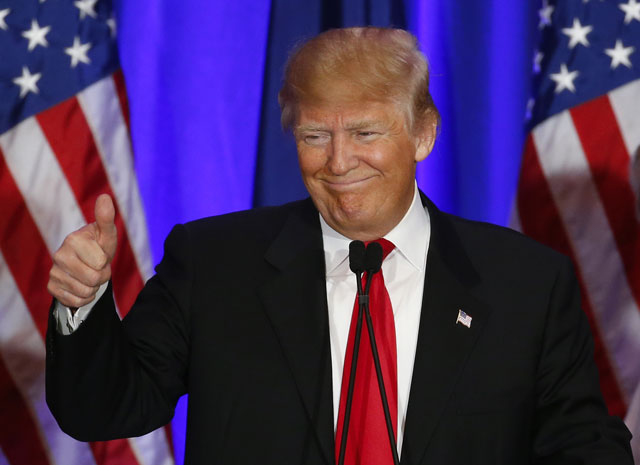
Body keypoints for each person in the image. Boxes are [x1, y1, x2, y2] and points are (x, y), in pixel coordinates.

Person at [46, 27, 633, 464]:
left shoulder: (524, 283)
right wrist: (83, 305)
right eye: (315, 135)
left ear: (422, 134)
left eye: (366, 133)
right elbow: (105, 409)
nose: (339, 160)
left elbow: (583, 446)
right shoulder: (213, 264)